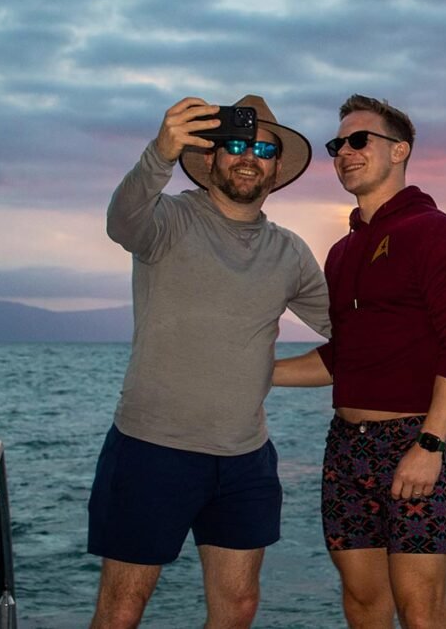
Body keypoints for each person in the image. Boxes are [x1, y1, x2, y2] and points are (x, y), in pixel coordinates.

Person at [88, 95, 330, 628]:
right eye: (236, 145)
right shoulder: (168, 219)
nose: (249, 156)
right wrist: (160, 153)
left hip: (245, 458)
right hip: (153, 448)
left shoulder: (290, 251)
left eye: (263, 148)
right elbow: (120, 222)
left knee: (239, 606)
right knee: (122, 609)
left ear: (275, 166)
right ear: (211, 159)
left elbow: (353, 335)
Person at [274, 94, 446, 628]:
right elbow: (341, 359)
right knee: (363, 600)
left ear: (400, 151)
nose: (343, 152)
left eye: (358, 140)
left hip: (412, 440)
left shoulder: (440, 233)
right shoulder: (343, 252)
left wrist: (431, 444)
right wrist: (255, 372)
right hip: (346, 447)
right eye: (337, 144)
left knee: (421, 608)